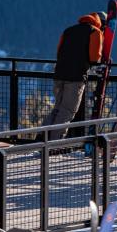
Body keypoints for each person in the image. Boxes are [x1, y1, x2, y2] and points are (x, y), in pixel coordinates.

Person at [43, 11, 106, 140]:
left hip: (59, 74)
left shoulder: (68, 30)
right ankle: (54, 143)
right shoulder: (95, 32)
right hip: (76, 77)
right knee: (67, 111)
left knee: (57, 109)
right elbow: (94, 58)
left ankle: (41, 138)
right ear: (100, 23)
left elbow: (59, 52)